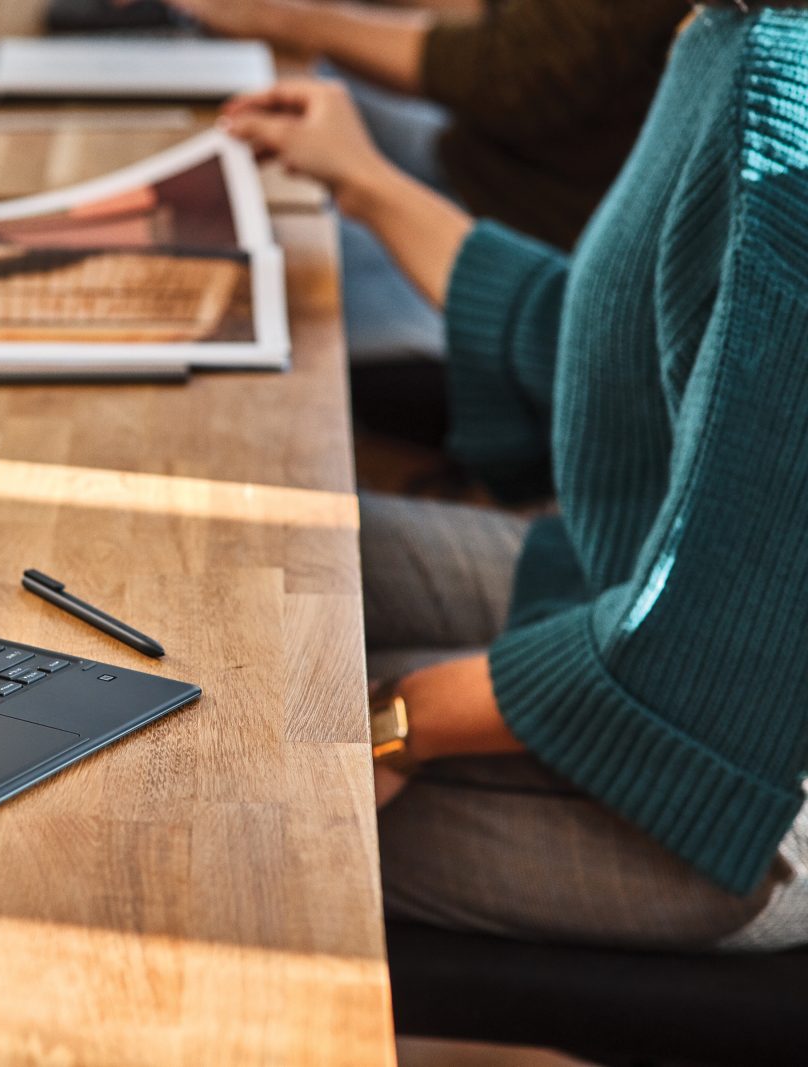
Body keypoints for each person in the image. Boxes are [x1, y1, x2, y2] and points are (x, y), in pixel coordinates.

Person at [220, 2, 808, 949]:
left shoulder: (793, 87)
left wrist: (405, 719)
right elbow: (602, 341)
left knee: (228, 763)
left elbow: (711, 643)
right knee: (239, 568)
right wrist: (362, 178)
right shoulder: (733, 32)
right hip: (622, 593)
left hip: (744, 790)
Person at [168, 0, 691, 362]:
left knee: (275, 292)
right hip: (492, 166)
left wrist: (366, 183)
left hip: (538, 235)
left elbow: (510, 71)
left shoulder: (726, 47)